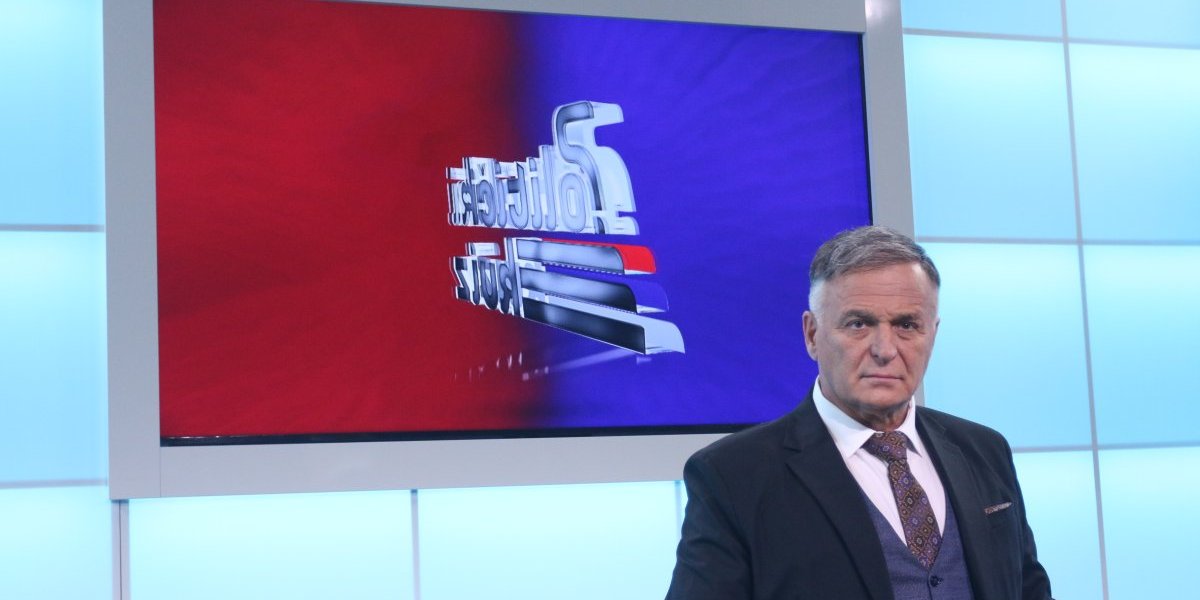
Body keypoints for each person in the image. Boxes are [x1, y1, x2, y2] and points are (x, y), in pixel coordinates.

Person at [665, 226, 1052, 600]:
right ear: (812, 335)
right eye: (859, 324)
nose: (885, 349)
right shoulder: (733, 476)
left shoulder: (984, 450)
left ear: (932, 334)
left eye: (906, 325)